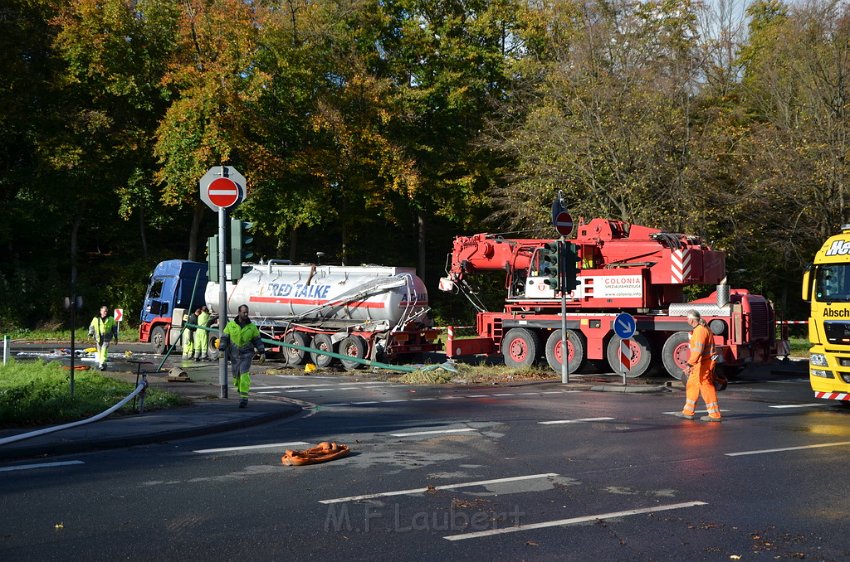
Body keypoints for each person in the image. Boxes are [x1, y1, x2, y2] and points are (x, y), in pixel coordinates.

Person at [675, 310, 722, 422]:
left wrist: (689, 365)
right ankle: (688, 412)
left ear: (691, 319)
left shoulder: (700, 331)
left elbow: (697, 351)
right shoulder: (701, 329)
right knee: (692, 385)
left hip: (704, 364)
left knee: (706, 386)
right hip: (701, 363)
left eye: (687, 318)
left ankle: (714, 415)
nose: (687, 320)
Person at [221, 304, 265, 408]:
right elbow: (224, 338)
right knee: (236, 377)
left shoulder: (252, 327)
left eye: (247, 312)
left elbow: (257, 340)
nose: (246, 314)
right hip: (234, 355)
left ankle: (243, 398)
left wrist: (262, 352)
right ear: (239, 312)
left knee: (244, 374)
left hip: (247, 354)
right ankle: (240, 389)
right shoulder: (230, 325)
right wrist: (221, 350)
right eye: (244, 312)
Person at [88, 305, 117, 371]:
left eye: (106, 311)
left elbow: (114, 329)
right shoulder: (95, 319)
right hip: (98, 337)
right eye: (104, 311)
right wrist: (90, 334)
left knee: (104, 349)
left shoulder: (111, 319)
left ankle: (101, 363)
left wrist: (116, 337)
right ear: (101, 311)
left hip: (107, 337)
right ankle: (104, 363)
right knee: (100, 351)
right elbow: (91, 327)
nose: (105, 313)